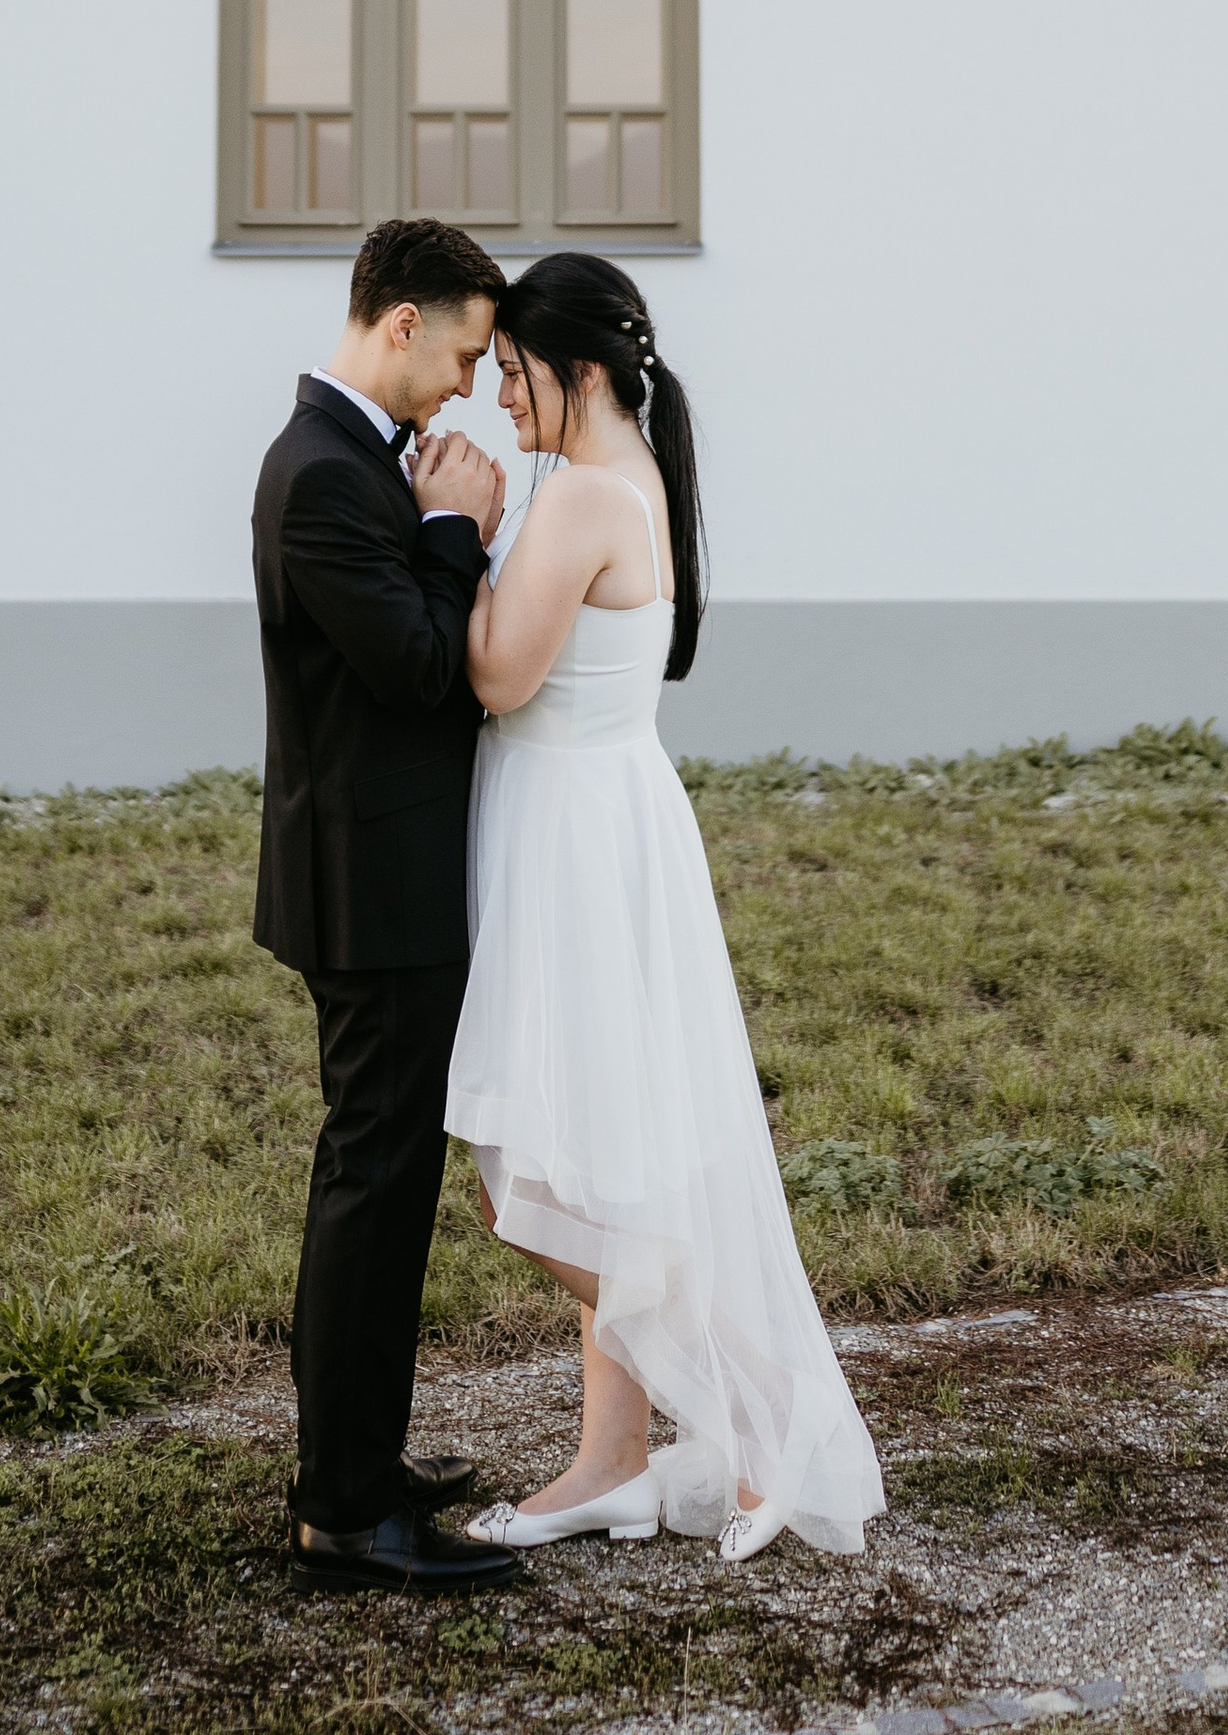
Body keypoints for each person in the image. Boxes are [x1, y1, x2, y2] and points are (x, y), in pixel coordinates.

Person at [440, 254, 884, 1562]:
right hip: (603, 820)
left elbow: (494, 675)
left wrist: (452, 534)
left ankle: (764, 1410)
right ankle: (614, 1463)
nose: (501, 408)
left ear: (578, 373)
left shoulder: (580, 496)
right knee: (603, 1155)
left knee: (532, 1174)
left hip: (573, 839)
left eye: (515, 378)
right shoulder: (625, 479)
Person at [250, 216, 521, 1594]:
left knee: (383, 1179)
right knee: (372, 1182)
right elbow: (417, 669)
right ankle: (345, 1506)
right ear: (400, 323)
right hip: (371, 888)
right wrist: (452, 527)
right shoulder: (324, 479)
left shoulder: (351, 461)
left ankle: (359, 1462)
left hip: (378, 874)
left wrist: (426, 513)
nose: (473, 384)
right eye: (466, 352)